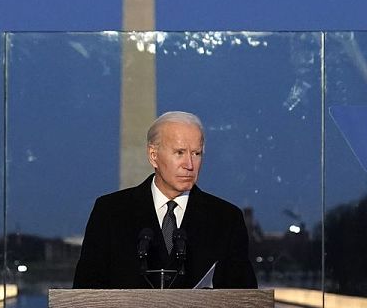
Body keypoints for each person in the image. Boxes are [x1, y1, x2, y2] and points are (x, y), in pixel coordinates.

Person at [74, 111, 257, 290]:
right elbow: (85, 294)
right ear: (153, 155)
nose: (189, 165)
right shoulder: (109, 213)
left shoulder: (227, 219)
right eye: (179, 153)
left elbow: (247, 303)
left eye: (196, 153)